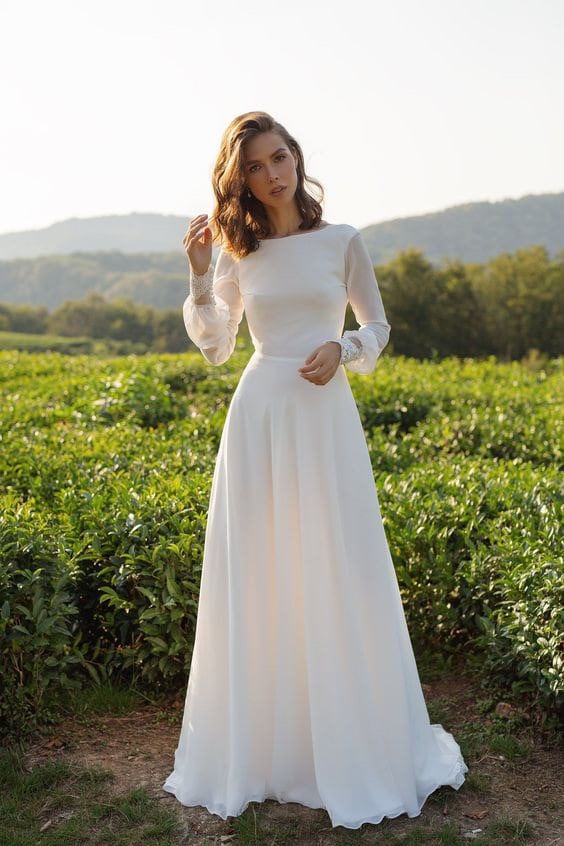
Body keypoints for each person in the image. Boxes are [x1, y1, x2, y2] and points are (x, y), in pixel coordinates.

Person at [162, 111, 468, 830]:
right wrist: (203, 276)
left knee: (339, 564)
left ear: (296, 157)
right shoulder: (243, 252)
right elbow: (215, 347)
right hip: (262, 415)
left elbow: (380, 327)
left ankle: (349, 742)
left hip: (324, 417)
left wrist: (345, 350)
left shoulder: (342, 241)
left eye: (279, 158)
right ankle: (269, 750)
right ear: (242, 181)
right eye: (257, 168)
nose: (272, 175)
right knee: (263, 570)